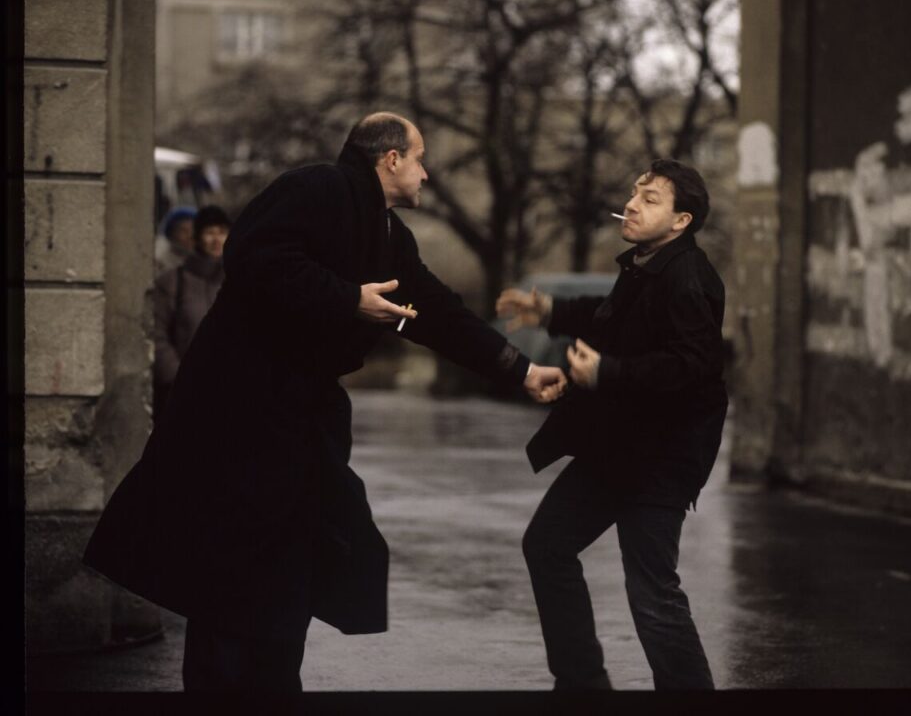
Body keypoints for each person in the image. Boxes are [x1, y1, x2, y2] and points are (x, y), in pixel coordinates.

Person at [83, 112, 567, 692]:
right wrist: (346, 299)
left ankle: (273, 687)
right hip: (239, 416)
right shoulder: (315, 187)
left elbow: (439, 314)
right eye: (420, 158)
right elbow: (253, 256)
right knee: (233, 573)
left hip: (297, 425)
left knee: (288, 570)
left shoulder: (390, 237)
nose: (427, 174)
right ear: (390, 159)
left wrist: (521, 370)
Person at [496, 159, 728, 690]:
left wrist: (609, 372)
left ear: (681, 221)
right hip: (617, 450)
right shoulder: (647, 265)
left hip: (661, 459)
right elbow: (612, 313)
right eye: (634, 193)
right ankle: (582, 682)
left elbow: (693, 366)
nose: (632, 203)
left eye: (650, 199)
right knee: (548, 546)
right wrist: (550, 310)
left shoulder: (689, 277)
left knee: (652, 594)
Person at [152, 205, 232, 417]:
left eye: (222, 232)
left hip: (228, 393)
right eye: (210, 233)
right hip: (182, 395)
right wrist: (179, 378)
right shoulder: (172, 282)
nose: (216, 240)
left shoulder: (238, 281)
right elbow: (157, 335)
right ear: (197, 238)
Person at [154, 205, 197, 275]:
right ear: (171, 234)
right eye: (184, 231)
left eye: (194, 230)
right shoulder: (160, 261)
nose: (190, 236)